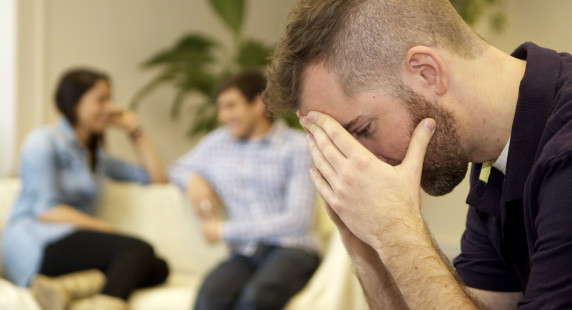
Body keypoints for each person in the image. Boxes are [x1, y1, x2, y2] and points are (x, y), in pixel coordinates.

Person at [263, 0, 572, 308]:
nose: (364, 163)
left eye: (363, 130)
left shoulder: (565, 151)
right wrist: (360, 235)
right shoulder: (495, 161)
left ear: (426, 73)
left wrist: (394, 228)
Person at [0, 68, 169, 310]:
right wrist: (108, 230)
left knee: (159, 267)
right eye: (100, 100)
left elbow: (157, 179)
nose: (109, 108)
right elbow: (46, 211)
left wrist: (134, 131)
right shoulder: (43, 142)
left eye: (109, 99)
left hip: (69, 243)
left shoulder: (96, 157)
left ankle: (65, 288)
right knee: (138, 249)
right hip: (36, 243)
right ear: (74, 104)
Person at [168, 71, 320, 310]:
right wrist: (192, 180)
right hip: (244, 254)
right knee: (209, 297)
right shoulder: (218, 143)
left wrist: (224, 230)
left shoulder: (296, 146)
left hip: (292, 249)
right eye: (221, 107)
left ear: (258, 103)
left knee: (256, 297)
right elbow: (176, 168)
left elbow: (297, 221)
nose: (222, 116)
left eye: (230, 106)